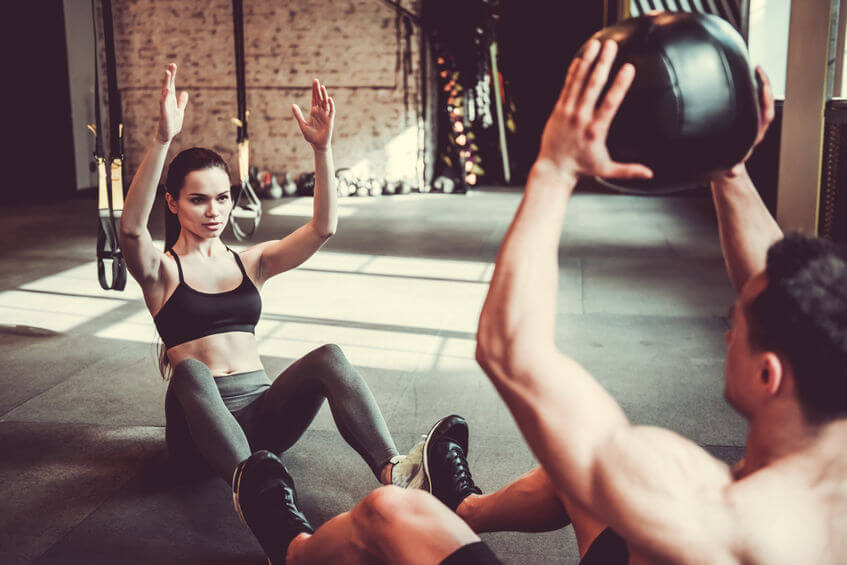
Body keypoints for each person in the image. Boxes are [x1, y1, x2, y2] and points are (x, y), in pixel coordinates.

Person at [253, 38, 847, 564]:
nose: (726, 334)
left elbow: (511, 352)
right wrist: (729, 168)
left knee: (389, 512)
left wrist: (556, 164)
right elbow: (780, 285)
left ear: (768, 374)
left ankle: (293, 550)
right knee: (566, 476)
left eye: (734, 326)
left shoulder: (704, 508)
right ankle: (465, 505)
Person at [118, 63, 459, 563]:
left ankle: (396, 472)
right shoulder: (161, 272)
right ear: (172, 203)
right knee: (190, 371)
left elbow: (322, 228)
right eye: (197, 200)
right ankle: (261, 503)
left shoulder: (250, 261)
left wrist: (322, 149)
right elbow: (130, 232)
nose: (214, 210)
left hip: (261, 419)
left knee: (329, 357)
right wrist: (161, 141)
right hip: (197, 432)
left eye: (222, 197)